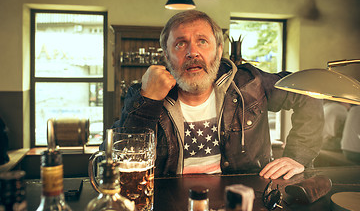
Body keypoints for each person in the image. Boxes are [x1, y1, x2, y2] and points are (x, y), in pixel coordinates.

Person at [110, 10, 324, 180]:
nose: (192, 52)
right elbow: (117, 160)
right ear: (167, 55)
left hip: (246, 194)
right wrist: (147, 101)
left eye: (202, 41)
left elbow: (307, 91)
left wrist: (299, 156)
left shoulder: (249, 83)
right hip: (169, 199)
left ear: (219, 50)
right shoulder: (143, 94)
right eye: (180, 43)